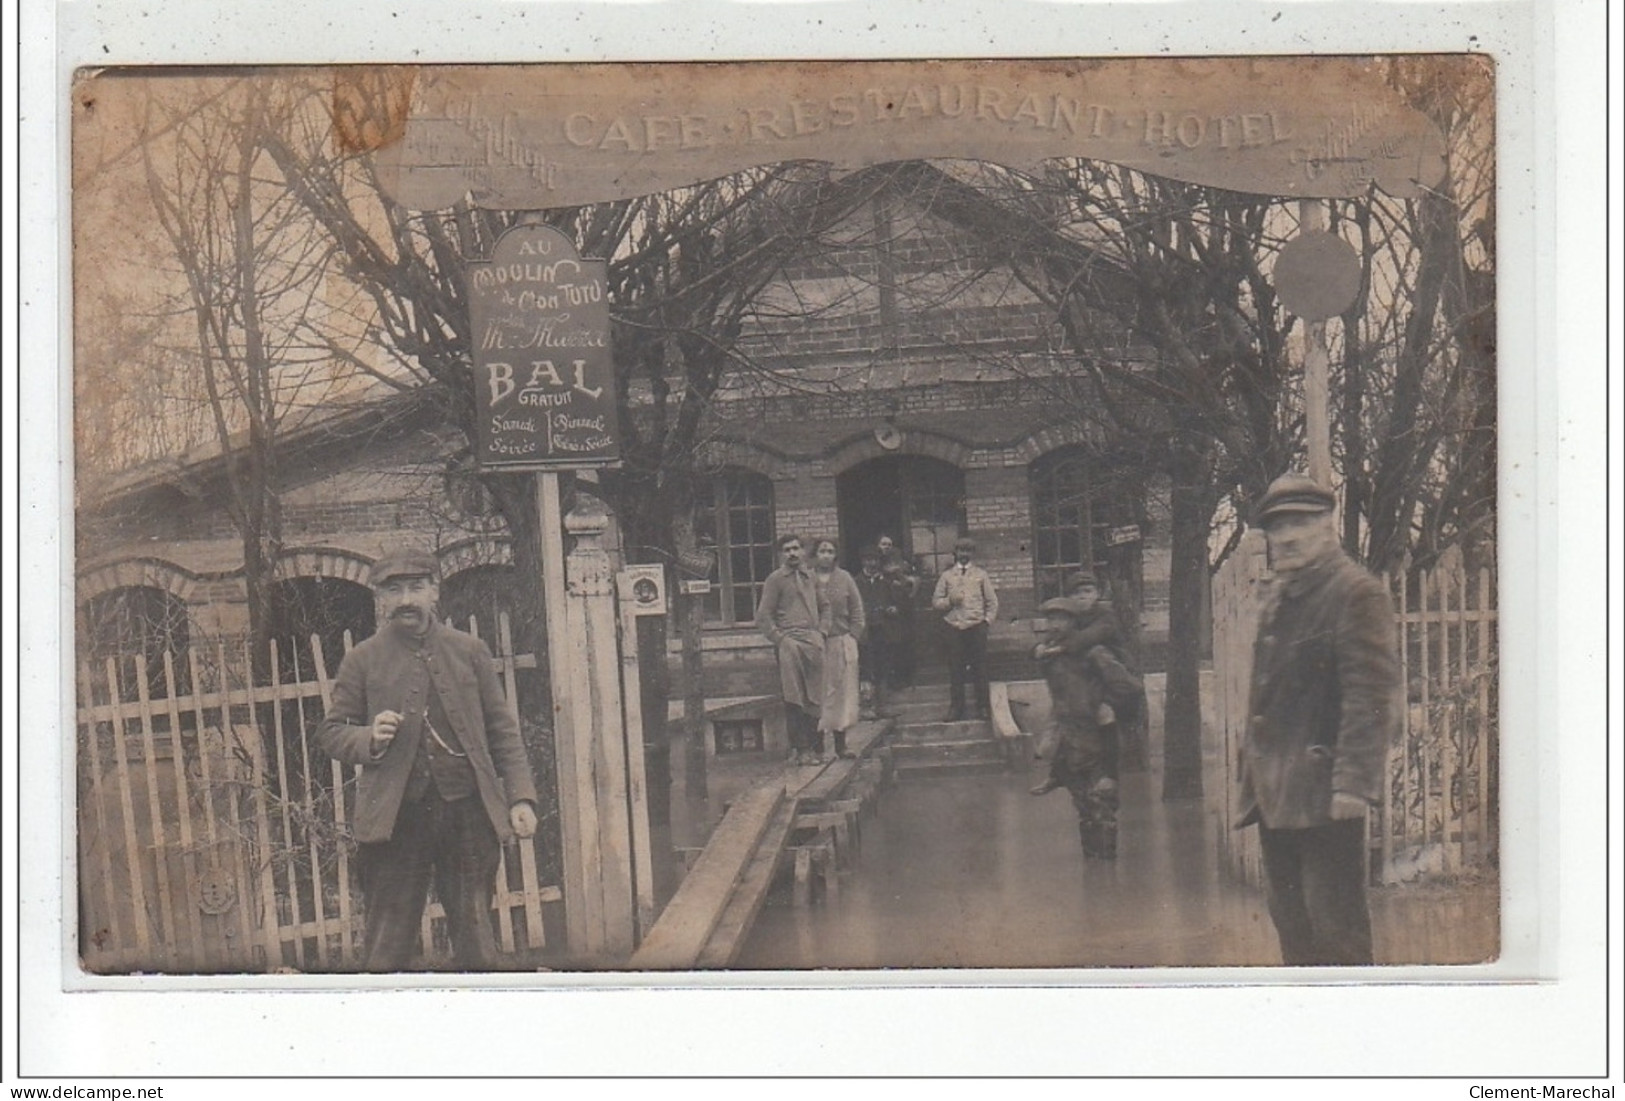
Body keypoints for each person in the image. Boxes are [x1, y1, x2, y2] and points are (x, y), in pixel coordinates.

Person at [317, 549, 539, 972]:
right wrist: (369, 737)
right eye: (394, 590)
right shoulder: (361, 659)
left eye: (416, 588)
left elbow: (503, 731)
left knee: (478, 941)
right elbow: (330, 733)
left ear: (435, 591)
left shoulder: (470, 650)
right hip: (396, 820)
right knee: (386, 945)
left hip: (468, 814)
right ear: (379, 598)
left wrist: (521, 798)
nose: (406, 599)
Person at [1238, 472, 1400, 966]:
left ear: (1329, 525)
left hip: (1326, 792)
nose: (1285, 537)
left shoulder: (1353, 593)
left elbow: (1370, 696)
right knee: (1294, 927)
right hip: (1273, 794)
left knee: (1336, 932)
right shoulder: (1280, 598)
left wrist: (1352, 784)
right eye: (1276, 527)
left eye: (1300, 524)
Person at [1030, 595, 1123, 859]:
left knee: (1102, 810)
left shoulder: (1094, 654)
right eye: (1050, 619)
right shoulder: (1050, 656)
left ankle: (1109, 883)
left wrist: (1106, 703)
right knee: (1084, 812)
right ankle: (1094, 885)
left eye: (1061, 619)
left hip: (1098, 742)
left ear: (1074, 622)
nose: (1054, 625)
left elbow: (1128, 687)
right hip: (1070, 746)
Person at [1028, 571, 1131, 798]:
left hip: (1108, 674)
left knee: (1105, 717)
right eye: (1076, 593)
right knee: (1061, 722)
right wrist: (1038, 649)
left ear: (1097, 593)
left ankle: (1110, 775)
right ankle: (1057, 774)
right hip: (1078, 688)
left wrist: (1061, 648)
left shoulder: (1104, 615)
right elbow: (1053, 636)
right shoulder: (1072, 619)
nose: (1083, 597)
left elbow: (1088, 638)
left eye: (1088, 591)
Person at [754, 533, 826, 766]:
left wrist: (822, 632)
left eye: (796, 548)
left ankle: (817, 748)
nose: (792, 553)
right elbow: (763, 616)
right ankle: (801, 749)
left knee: (815, 696)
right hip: (790, 644)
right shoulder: (775, 580)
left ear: (803, 551)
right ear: (780, 554)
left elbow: (826, 607)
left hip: (813, 643)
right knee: (795, 698)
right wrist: (781, 639)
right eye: (787, 550)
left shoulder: (811, 577)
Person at [932, 536, 999, 721]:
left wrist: (986, 622)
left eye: (968, 551)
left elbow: (992, 602)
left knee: (980, 667)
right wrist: (949, 601)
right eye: (961, 550)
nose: (964, 554)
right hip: (954, 627)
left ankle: (983, 707)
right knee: (956, 668)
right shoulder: (947, 576)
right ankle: (957, 708)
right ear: (956, 553)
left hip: (976, 626)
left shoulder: (980, 575)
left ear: (972, 553)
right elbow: (936, 602)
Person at [811, 537, 866, 760]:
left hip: (840, 641)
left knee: (842, 693)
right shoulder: (807, 578)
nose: (826, 555)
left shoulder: (845, 578)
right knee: (819, 694)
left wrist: (853, 635)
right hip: (815, 644)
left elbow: (857, 609)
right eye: (822, 551)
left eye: (830, 551)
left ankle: (841, 745)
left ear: (836, 555)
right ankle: (818, 748)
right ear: (815, 555)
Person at [876, 534, 919, 687]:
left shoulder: (899, 564)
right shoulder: (875, 564)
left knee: (901, 644)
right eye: (883, 544)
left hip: (899, 611)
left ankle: (903, 678)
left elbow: (910, 584)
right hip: (882, 612)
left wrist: (906, 588)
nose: (886, 547)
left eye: (889, 544)